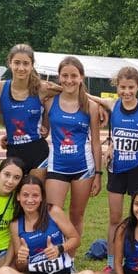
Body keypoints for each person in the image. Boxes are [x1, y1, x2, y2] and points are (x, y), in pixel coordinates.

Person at [0, 176, 94, 274]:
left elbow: (75, 239)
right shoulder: (16, 224)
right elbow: (21, 267)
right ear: (18, 197)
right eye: (25, 195)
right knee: (3, 273)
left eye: (35, 195)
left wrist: (59, 249)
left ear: (42, 197)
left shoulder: (53, 212)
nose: (30, 200)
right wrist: (21, 258)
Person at [88, 66, 138, 274]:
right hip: (116, 169)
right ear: (117, 86)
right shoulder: (112, 104)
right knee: (115, 218)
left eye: (131, 87)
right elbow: (87, 96)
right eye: (123, 87)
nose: (126, 91)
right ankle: (111, 261)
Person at [44, 56, 102, 236]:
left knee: (76, 216)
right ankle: (54, 257)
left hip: (83, 168)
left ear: (81, 77)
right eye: (65, 75)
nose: (69, 80)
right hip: (57, 166)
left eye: (74, 76)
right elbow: (43, 130)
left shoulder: (91, 106)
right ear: (59, 77)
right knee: (52, 214)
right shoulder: (49, 102)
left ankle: (71, 259)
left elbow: (96, 141)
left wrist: (98, 174)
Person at [0, 44, 57, 179]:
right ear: (9, 63)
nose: (21, 68)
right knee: (13, 196)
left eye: (26, 63)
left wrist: (46, 121)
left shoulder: (42, 88)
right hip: (13, 150)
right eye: (16, 63)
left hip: (37, 151)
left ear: (32, 65)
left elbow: (71, 91)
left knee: (35, 196)